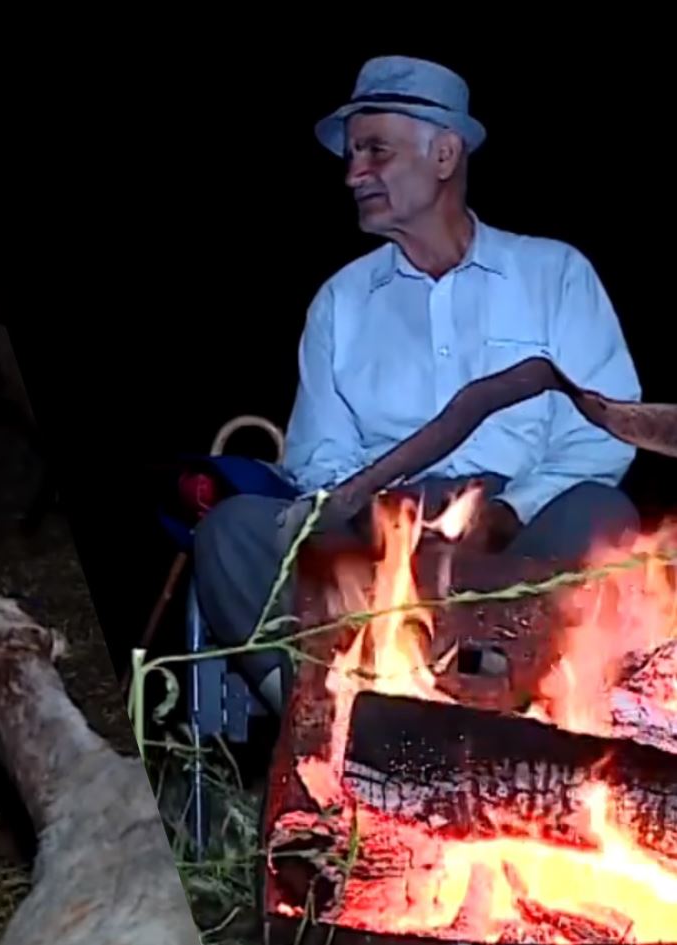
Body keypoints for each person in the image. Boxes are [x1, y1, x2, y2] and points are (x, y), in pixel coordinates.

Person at [193, 55, 643, 712]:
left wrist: (507, 511)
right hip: (376, 550)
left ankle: (499, 705)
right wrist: (383, 516)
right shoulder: (340, 303)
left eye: (375, 150)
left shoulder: (554, 277)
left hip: (520, 537)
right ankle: (337, 728)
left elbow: (602, 434)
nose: (353, 174)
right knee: (232, 532)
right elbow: (319, 456)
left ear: (444, 154)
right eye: (351, 156)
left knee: (605, 518)